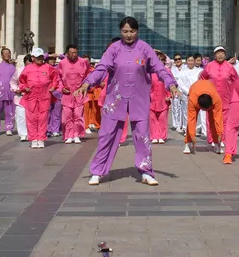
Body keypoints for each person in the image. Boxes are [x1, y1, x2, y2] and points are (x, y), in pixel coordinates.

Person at [74, 17, 178, 186]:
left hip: (139, 98)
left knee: (142, 135)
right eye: (125, 31)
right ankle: (97, 171)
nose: (129, 35)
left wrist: (171, 84)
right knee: (106, 134)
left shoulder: (145, 48)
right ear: (120, 31)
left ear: (137, 31)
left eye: (132, 31)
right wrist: (87, 82)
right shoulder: (113, 49)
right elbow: (101, 68)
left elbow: (159, 68)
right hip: (116, 98)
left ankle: (146, 171)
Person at [16, 48, 59, 148]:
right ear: (33, 58)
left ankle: (41, 138)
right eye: (38, 57)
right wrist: (24, 88)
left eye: (41, 57)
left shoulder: (48, 67)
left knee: (43, 118)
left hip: (44, 96)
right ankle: (33, 139)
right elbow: (22, 81)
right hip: (31, 96)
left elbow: (55, 79)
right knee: (31, 118)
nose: (40, 59)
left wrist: (53, 87)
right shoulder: (28, 68)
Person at [200, 46, 239, 146]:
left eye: (222, 53)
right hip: (211, 98)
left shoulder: (230, 67)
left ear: (225, 55)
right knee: (211, 119)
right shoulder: (209, 66)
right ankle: (212, 139)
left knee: (224, 120)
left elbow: (236, 82)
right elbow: (202, 78)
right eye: (218, 53)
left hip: (225, 98)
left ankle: (222, 139)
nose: (220, 55)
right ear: (214, 55)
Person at [57, 44, 90, 144]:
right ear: (67, 53)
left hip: (79, 93)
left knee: (78, 115)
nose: (73, 55)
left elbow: (88, 75)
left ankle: (77, 134)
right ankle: (68, 135)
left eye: (75, 53)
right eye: (71, 53)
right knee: (67, 116)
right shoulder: (62, 63)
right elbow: (57, 78)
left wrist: (85, 86)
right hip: (67, 94)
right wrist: (62, 88)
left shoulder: (83, 62)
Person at [183, 79, 223, 154]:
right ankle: (188, 143)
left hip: (210, 90)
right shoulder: (193, 99)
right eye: (203, 109)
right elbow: (191, 120)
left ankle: (217, 143)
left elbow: (218, 119)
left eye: (206, 109)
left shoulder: (216, 99)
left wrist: (220, 133)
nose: (204, 111)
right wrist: (192, 136)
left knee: (213, 121)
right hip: (195, 89)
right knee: (191, 120)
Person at [173, 55, 201, 136]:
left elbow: (200, 82)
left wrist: (196, 91)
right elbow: (180, 83)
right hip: (186, 95)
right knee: (186, 113)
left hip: (197, 94)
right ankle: (186, 129)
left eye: (192, 60)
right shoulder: (182, 72)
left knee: (197, 112)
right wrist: (188, 92)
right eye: (189, 60)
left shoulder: (199, 71)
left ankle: (196, 128)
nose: (191, 62)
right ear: (186, 61)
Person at [150, 51, 171, 144]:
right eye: (157, 60)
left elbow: (171, 84)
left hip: (163, 98)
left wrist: (169, 95)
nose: (159, 62)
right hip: (152, 98)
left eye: (161, 60)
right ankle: (154, 136)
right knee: (152, 118)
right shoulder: (150, 72)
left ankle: (162, 136)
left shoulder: (168, 71)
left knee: (162, 118)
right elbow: (146, 85)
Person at [11, 55, 31, 141]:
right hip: (20, 97)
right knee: (21, 116)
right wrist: (16, 89)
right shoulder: (18, 71)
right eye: (28, 64)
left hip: (32, 97)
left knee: (31, 117)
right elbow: (12, 82)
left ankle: (31, 134)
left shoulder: (37, 71)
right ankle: (23, 134)